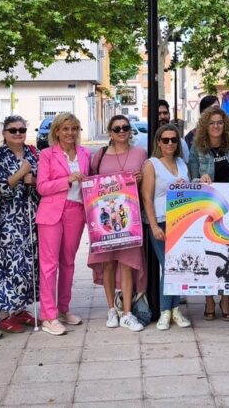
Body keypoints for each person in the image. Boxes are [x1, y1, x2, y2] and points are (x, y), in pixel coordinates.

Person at [88, 115, 147, 332]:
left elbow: (148, 181)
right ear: (110, 132)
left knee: (127, 264)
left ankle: (128, 313)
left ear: (130, 130)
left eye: (125, 127)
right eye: (117, 128)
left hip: (129, 219)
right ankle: (111, 309)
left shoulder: (141, 153)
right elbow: (90, 183)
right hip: (104, 221)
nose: (121, 131)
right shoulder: (100, 155)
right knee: (108, 264)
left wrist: (140, 179)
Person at [35, 112, 91, 336]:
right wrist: (66, 180)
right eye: (65, 129)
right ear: (56, 131)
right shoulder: (47, 154)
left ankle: (63, 308)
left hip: (76, 211)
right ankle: (48, 316)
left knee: (68, 263)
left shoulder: (85, 154)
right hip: (52, 213)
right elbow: (42, 187)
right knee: (49, 265)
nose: (70, 133)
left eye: (74, 128)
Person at [0, 115, 41, 334]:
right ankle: (4, 315)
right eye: (13, 130)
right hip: (5, 223)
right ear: (4, 133)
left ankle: (19, 309)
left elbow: (41, 183)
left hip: (28, 219)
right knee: (5, 266)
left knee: (25, 266)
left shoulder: (33, 153)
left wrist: (33, 180)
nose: (18, 134)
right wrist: (21, 173)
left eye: (21, 130)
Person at [189, 105, 229, 320]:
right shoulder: (197, 149)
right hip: (206, 208)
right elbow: (191, 178)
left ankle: (226, 298)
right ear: (205, 125)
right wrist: (199, 179)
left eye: (220, 123)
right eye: (212, 123)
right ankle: (209, 298)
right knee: (208, 254)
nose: (216, 126)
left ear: (225, 125)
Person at [141, 123, 193, 331]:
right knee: (169, 266)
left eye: (174, 140)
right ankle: (165, 311)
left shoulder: (182, 163)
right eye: (165, 140)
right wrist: (154, 225)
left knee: (178, 266)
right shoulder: (151, 164)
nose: (170, 143)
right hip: (161, 220)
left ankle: (175, 310)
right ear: (159, 143)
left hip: (181, 220)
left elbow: (189, 190)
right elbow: (147, 197)